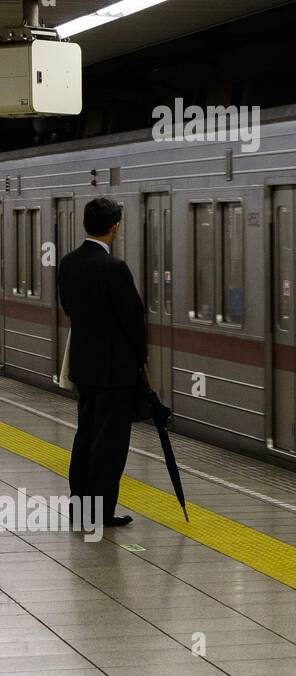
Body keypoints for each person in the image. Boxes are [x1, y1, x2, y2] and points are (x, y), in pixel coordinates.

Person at [58, 197, 147, 529]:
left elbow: (68, 307)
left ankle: (79, 507)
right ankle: (100, 512)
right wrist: (140, 357)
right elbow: (133, 320)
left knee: (85, 437)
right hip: (115, 371)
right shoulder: (114, 268)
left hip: (83, 366)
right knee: (109, 445)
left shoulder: (68, 263)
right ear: (115, 226)